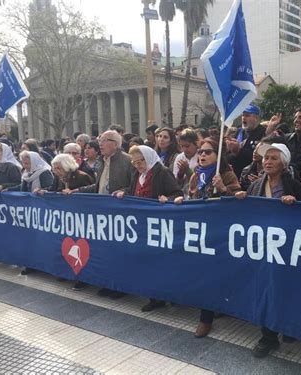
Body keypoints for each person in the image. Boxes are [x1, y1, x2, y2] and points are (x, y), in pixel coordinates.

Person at [236, 143, 301, 357]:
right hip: (261, 248)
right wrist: (242, 198)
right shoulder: (256, 185)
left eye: (274, 158)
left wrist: (295, 203)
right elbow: (247, 215)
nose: (268, 162)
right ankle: (268, 337)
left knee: (286, 289)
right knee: (265, 289)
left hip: (286, 248)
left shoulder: (293, 186)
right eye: (266, 158)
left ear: (284, 164)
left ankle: (289, 327)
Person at [174, 137, 241, 338]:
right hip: (199, 233)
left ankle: (206, 319)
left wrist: (222, 189)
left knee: (211, 275)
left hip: (219, 235)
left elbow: (239, 202)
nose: (202, 155)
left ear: (218, 156)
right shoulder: (195, 176)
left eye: (208, 152)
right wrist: (180, 200)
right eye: (201, 152)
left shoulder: (227, 175)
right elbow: (190, 198)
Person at [113, 145, 182, 311]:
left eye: (140, 161)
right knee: (147, 261)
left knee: (159, 262)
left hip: (158, 225)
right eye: (134, 162)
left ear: (149, 157)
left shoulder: (162, 172)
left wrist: (169, 198)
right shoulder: (137, 174)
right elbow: (133, 190)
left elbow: (177, 193)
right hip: (142, 225)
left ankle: (164, 296)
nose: (137, 165)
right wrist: (124, 191)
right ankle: (154, 296)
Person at [73, 130, 133, 299]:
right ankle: (108, 282)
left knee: (119, 252)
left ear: (116, 143)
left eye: (104, 140)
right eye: (99, 140)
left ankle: (120, 286)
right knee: (105, 251)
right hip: (102, 214)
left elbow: (134, 187)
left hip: (120, 215)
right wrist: (77, 190)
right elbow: (98, 186)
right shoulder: (102, 161)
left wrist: (123, 191)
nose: (100, 143)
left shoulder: (127, 161)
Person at [37, 153, 93, 290]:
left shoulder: (81, 176)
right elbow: (53, 190)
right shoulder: (58, 177)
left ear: (67, 167)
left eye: (58, 168)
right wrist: (44, 191)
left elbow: (92, 194)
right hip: (66, 219)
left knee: (82, 249)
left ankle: (83, 278)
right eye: (54, 168)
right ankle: (67, 273)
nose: (56, 171)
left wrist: (74, 192)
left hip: (82, 218)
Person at [225, 104, 266, 178]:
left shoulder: (264, 133)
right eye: (243, 115)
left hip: (250, 176)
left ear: (256, 118)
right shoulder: (239, 132)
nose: (244, 118)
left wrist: (238, 151)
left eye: (247, 115)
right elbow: (229, 154)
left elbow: (261, 157)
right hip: (235, 174)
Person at [172, 128, 198, 197]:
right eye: (182, 146)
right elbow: (176, 183)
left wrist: (188, 171)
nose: (185, 149)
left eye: (187, 146)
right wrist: (180, 174)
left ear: (196, 143)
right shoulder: (179, 157)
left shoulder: (201, 156)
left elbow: (200, 180)